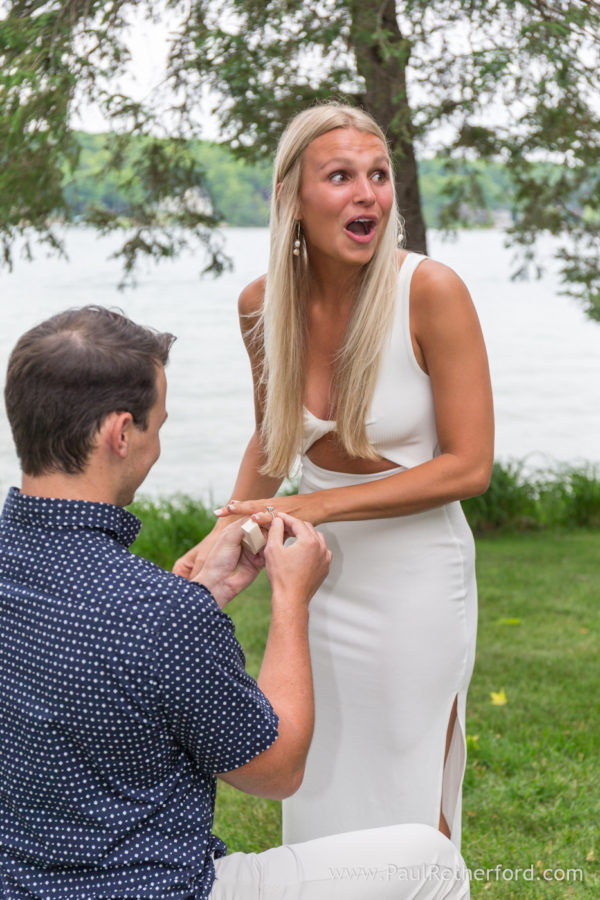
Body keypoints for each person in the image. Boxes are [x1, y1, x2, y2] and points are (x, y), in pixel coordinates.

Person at [0, 305, 471, 899]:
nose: (158, 445)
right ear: (121, 434)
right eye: (158, 426)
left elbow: (91, 662)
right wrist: (290, 599)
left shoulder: (111, 596)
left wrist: (202, 597)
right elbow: (277, 769)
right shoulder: (157, 613)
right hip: (162, 889)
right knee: (432, 861)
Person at [174, 102, 494, 849]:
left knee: (413, 785)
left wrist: (315, 507)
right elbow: (274, 437)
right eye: (341, 176)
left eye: (378, 176)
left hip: (419, 579)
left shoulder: (430, 291)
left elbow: (470, 465)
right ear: (292, 195)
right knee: (322, 778)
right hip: (319, 582)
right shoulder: (262, 303)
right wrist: (225, 524)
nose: (369, 195)